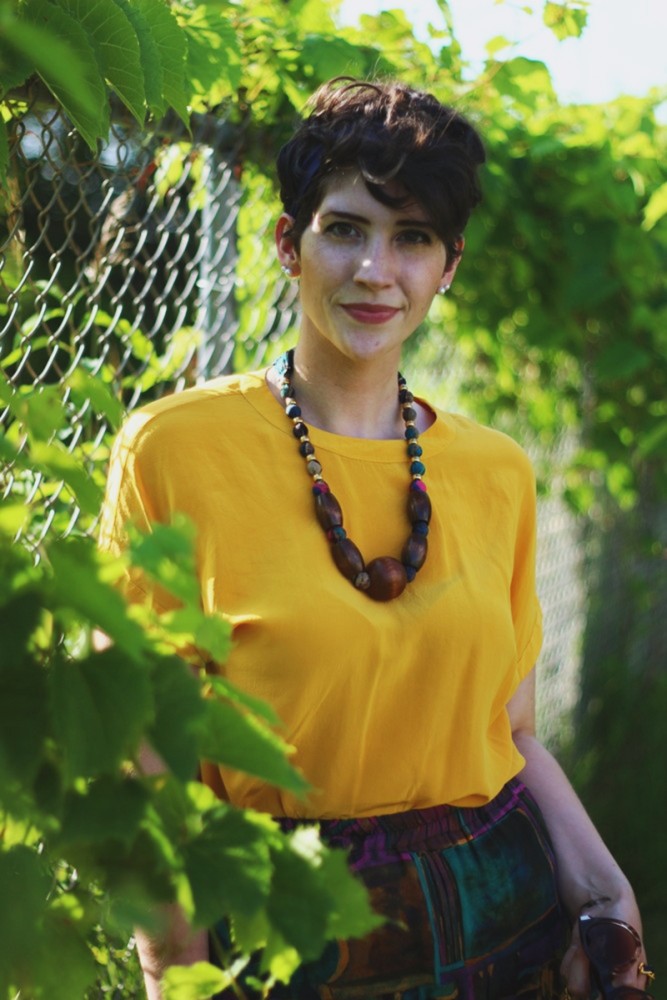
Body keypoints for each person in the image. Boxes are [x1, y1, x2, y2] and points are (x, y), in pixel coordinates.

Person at [98, 78, 653, 999]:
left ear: (449, 267)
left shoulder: (495, 469)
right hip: (288, 936)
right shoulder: (173, 449)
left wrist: (606, 893)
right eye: (345, 228)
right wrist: (176, 972)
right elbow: (145, 758)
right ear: (290, 243)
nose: (375, 271)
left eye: (413, 239)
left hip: (506, 927)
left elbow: (512, 734)